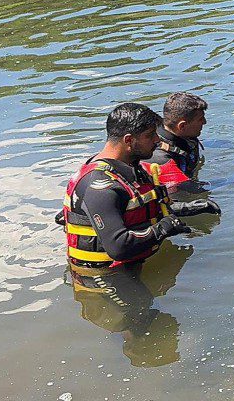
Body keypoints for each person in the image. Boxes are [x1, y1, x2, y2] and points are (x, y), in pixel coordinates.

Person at [59, 103, 221, 362]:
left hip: (130, 265)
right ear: (128, 140)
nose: (158, 141)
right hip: (104, 275)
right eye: (150, 136)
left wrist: (187, 208)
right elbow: (119, 246)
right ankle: (138, 353)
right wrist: (164, 228)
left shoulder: (131, 169)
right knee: (142, 315)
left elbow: (143, 207)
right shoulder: (101, 186)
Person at [143, 92, 208, 195]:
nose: (204, 122)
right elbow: (194, 191)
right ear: (182, 126)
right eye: (200, 119)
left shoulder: (181, 133)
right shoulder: (161, 159)